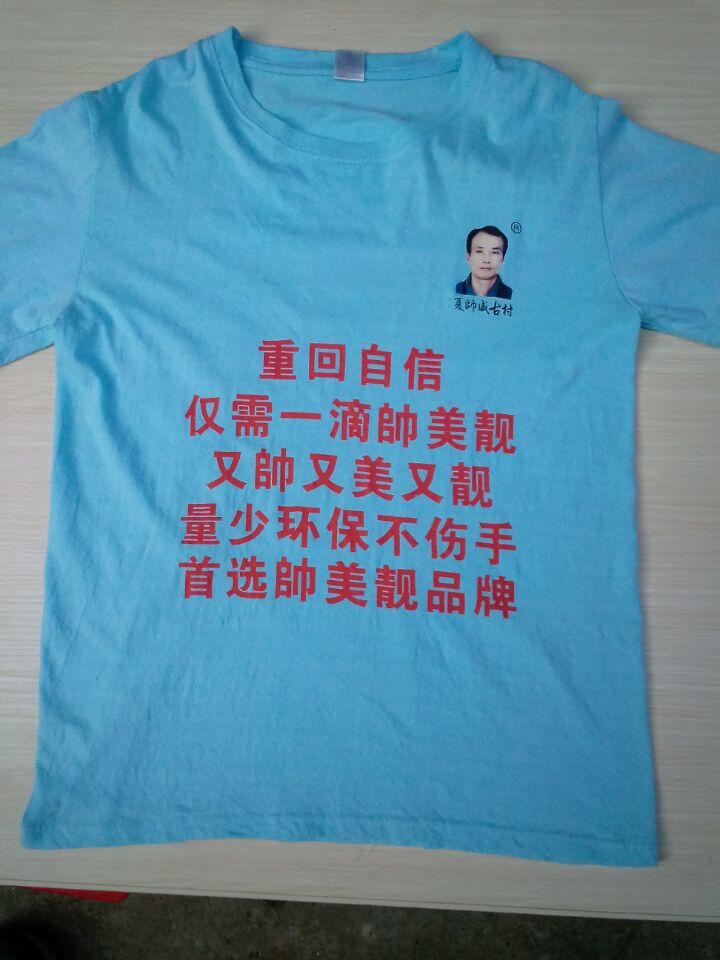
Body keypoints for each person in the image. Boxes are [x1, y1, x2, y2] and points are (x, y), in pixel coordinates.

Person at [455, 225, 513, 299]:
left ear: (503, 259)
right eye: (479, 251)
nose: (486, 260)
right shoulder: (454, 291)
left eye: (495, 252)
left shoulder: (511, 296)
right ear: (468, 256)